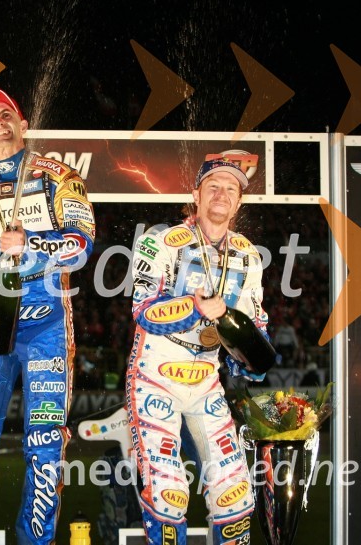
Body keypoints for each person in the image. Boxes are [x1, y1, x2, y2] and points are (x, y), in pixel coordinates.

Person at [0, 88, 95, 544]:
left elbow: (82, 246)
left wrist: (33, 243)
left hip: (48, 325)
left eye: (6, 114)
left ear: (23, 124)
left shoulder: (58, 175)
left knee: (45, 445)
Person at [126, 156, 269, 545]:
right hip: (155, 375)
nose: (222, 194)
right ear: (196, 195)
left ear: (239, 203)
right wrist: (194, 306)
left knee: (234, 490)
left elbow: (255, 321)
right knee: (169, 492)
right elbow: (142, 310)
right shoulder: (161, 240)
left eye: (231, 189)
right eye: (213, 187)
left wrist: (253, 359)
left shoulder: (249, 256)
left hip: (206, 379)